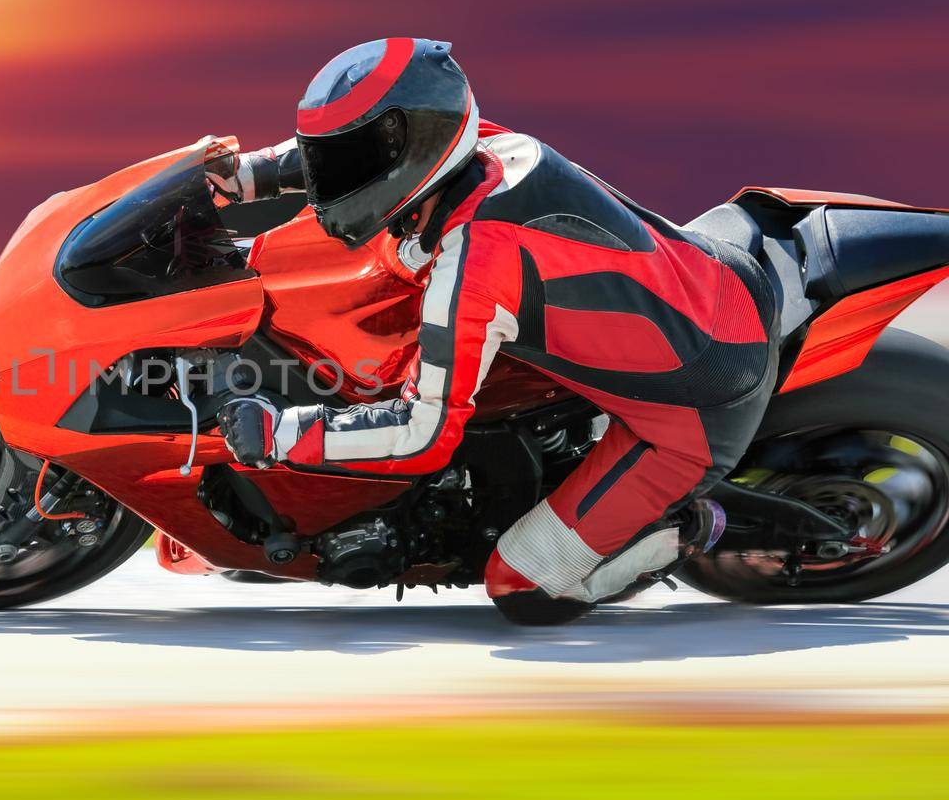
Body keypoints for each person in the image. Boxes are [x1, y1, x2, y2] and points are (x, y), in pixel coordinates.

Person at [211, 38, 775, 625]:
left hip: (700, 402)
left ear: (421, 143)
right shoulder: (480, 148)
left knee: (522, 589)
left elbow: (421, 434)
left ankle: (689, 528)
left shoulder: (477, 263)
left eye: (350, 159)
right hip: (712, 272)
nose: (333, 176)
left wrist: (281, 432)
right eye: (329, 157)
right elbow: (348, 160)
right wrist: (244, 175)